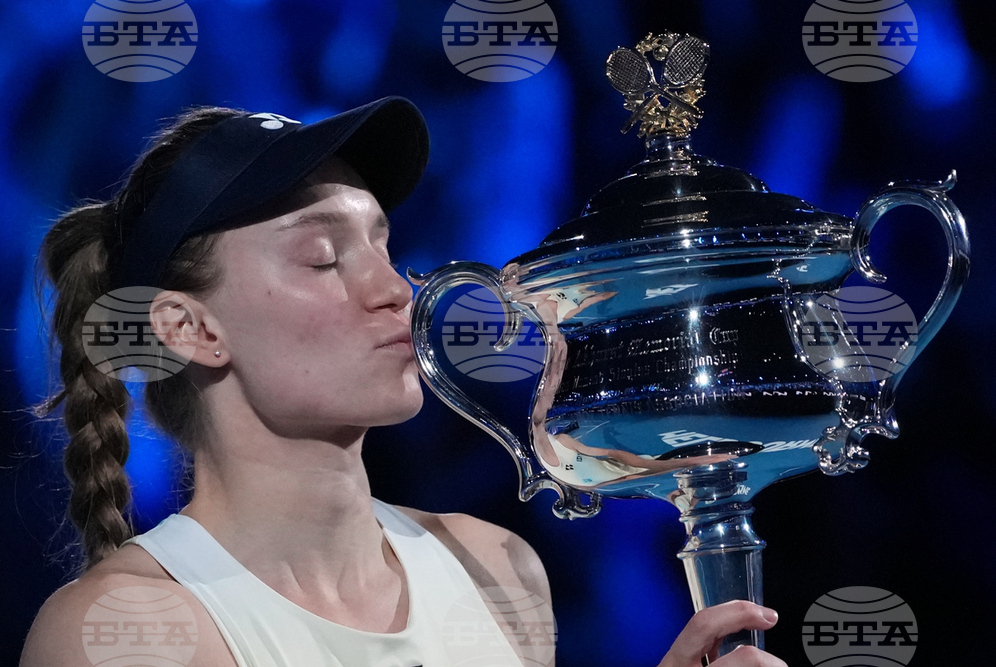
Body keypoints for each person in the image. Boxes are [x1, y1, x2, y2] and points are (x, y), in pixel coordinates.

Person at [19, 97, 787, 667]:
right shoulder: (128, 627)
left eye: (385, 247)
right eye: (323, 258)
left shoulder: (496, 567)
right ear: (191, 329)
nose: (397, 290)